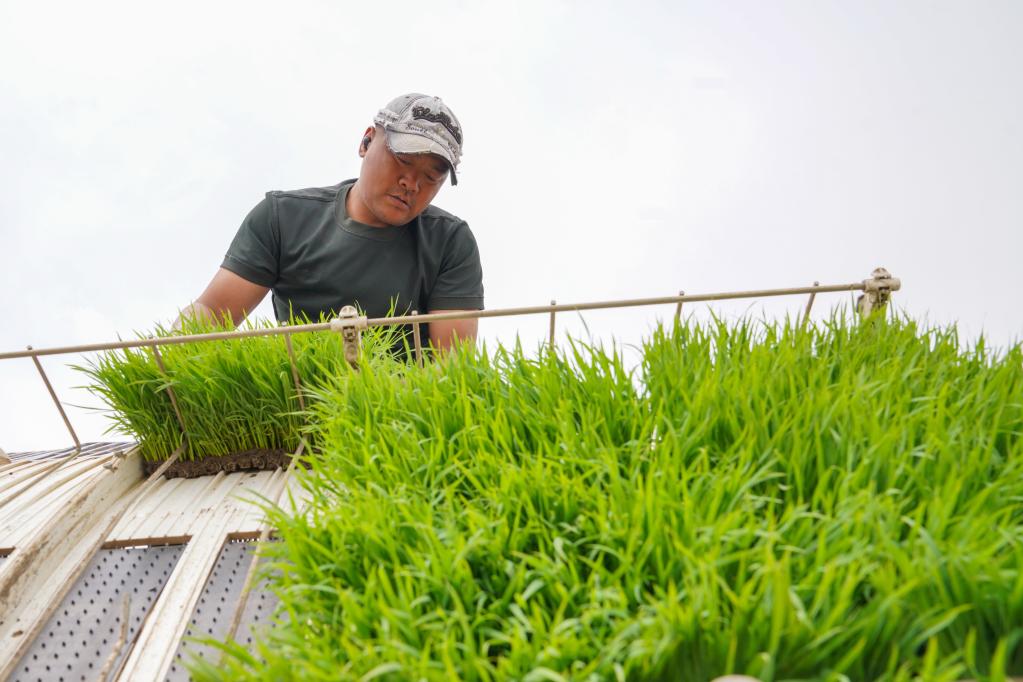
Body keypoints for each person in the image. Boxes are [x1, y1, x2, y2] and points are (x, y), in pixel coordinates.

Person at [176, 93, 483, 352]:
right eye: (403, 160)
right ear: (366, 142)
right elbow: (212, 312)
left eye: (431, 177)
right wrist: (165, 358)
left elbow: (450, 367)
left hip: (401, 415)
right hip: (295, 407)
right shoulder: (282, 218)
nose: (411, 183)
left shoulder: (451, 243)